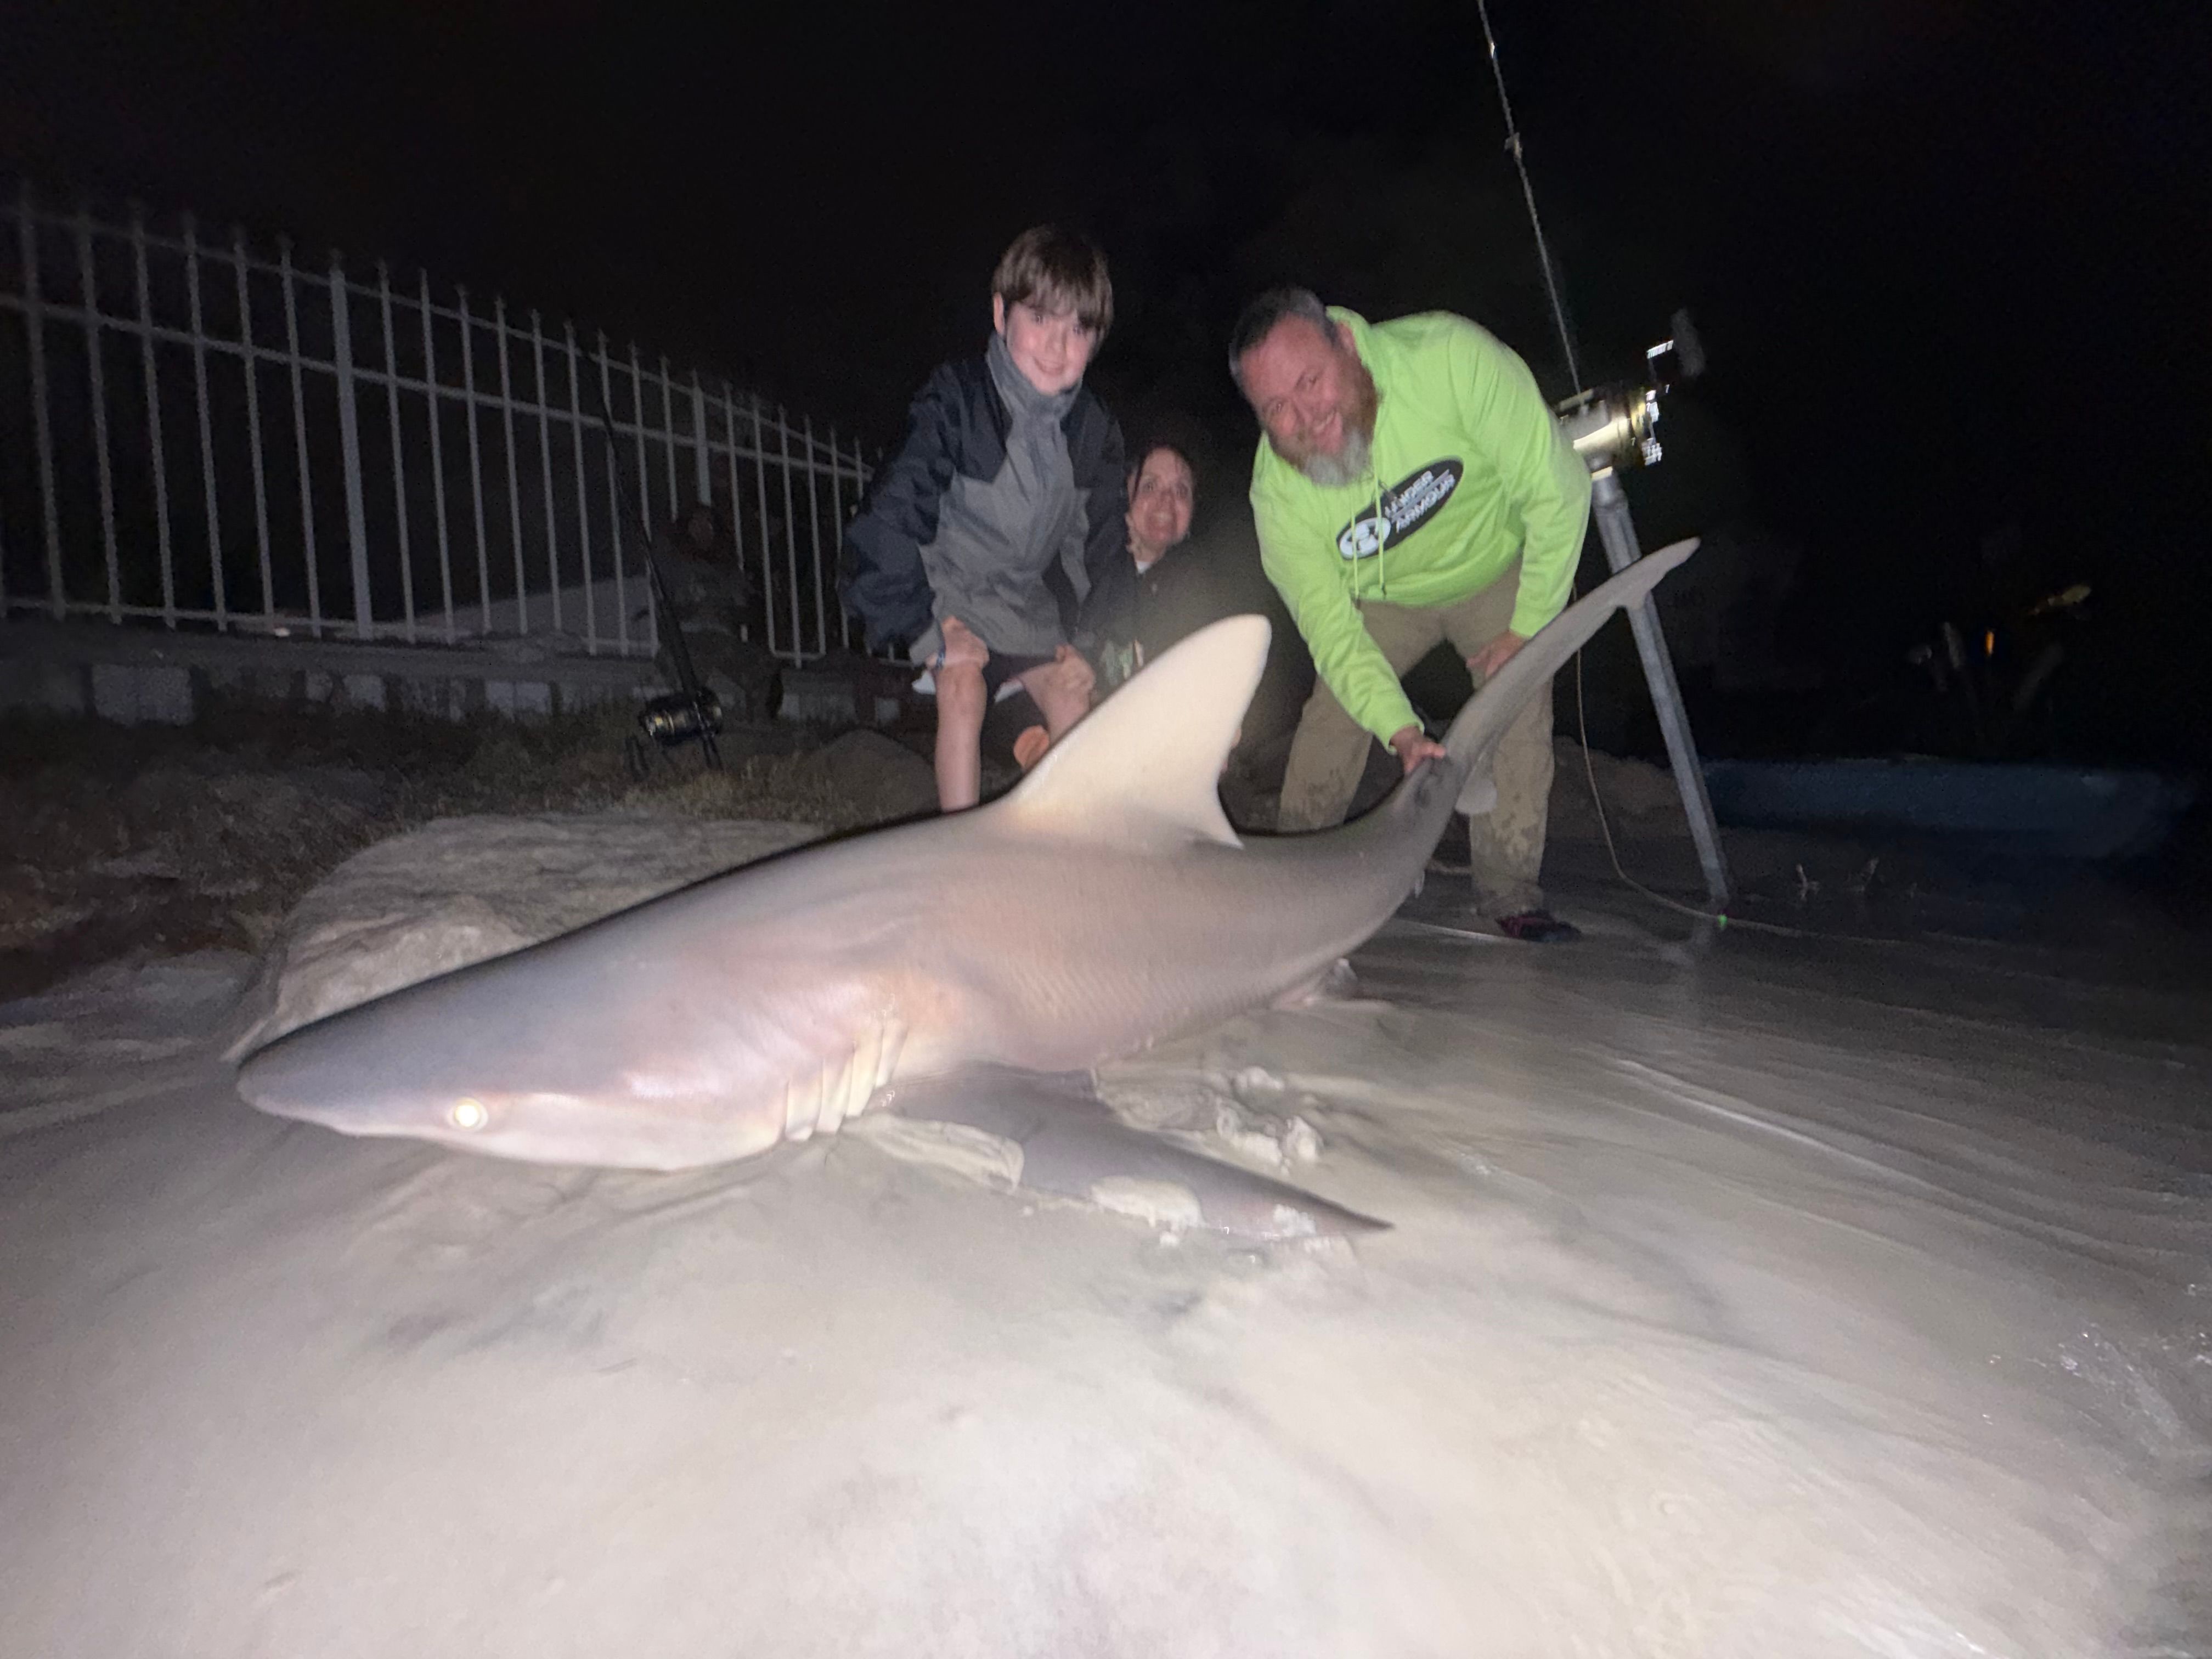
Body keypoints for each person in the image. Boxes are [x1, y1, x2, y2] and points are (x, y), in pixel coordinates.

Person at [1229, 287, 1592, 941]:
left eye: (1310, 381)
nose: (1305, 418)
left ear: (1345, 343)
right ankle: (1291, 875)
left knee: (1521, 698)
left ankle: (1509, 889)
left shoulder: (1449, 359)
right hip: (1389, 598)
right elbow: (1334, 636)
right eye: (1276, 408)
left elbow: (1559, 489)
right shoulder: (1277, 498)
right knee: (1335, 708)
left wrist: (1527, 628)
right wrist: (1400, 732)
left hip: (1494, 567)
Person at [839, 226, 1126, 811]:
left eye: (1078, 329)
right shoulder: (958, 402)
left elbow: (1095, 548)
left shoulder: (1093, 430)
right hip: (950, 601)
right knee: (964, 692)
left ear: (1094, 343)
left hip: (1026, 610)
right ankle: (959, 834)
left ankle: (1073, 844)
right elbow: (888, 518)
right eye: (1040, 318)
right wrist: (927, 632)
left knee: (1073, 701)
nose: (1056, 346)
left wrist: (1087, 643)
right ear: (1001, 314)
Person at [1079, 438, 1208, 693]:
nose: (1167, 500)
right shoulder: (1085, 558)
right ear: (1123, 495)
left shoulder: (1195, 589)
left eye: (1181, 491)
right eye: (1150, 486)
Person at [652, 501, 776, 721]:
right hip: (688, 638)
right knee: (686, 675)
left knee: (765, 666)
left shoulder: (727, 569)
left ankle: (759, 721)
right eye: (697, 523)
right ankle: (693, 722)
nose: (703, 529)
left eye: (709, 524)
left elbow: (749, 610)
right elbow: (664, 606)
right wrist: (692, 610)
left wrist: (729, 613)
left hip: (723, 639)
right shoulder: (674, 564)